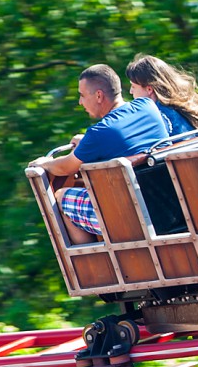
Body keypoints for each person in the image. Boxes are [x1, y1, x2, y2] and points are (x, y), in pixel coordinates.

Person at [31, 64, 170, 244]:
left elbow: (64, 167)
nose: (80, 102)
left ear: (98, 95)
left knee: (61, 197)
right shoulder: (147, 106)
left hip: (133, 218)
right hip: (166, 206)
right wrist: (87, 144)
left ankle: (92, 266)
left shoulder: (99, 132)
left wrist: (44, 163)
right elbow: (126, 139)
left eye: (82, 95)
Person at [126, 54, 198, 136]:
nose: (131, 91)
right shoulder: (188, 107)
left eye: (133, 86)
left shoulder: (155, 118)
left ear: (149, 89)